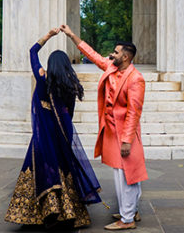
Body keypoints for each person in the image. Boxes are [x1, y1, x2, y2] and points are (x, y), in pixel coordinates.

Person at [5, 28, 102, 228]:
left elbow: (32, 52)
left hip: (44, 132)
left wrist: (48, 36)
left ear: (50, 64)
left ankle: (39, 213)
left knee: (41, 165)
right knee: (64, 166)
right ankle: (67, 212)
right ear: (66, 65)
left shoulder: (42, 77)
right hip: (62, 130)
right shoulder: (70, 84)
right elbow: (69, 112)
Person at [61, 24, 146, 231]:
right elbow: (93, 54)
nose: (112, 54)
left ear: (126, 57)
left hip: (124, 134)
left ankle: (127, 220)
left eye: (116, 52)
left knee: (126, 175)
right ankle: (131, 210)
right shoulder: (111, 66)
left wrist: (127, 140)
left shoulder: (136, 79)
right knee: (126, 173)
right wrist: (72, 36)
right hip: (111, 131)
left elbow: (133, 112)